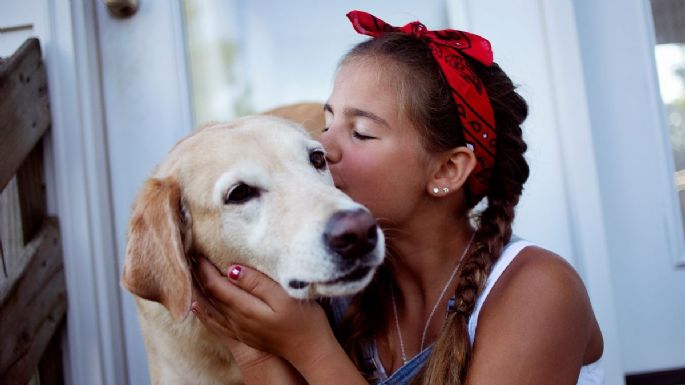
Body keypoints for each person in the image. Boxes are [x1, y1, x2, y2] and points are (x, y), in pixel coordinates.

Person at [191, 10, 604, 385]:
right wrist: (250, 345)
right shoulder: (342, 288)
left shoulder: (540, 292)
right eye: (328, 121)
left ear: (446, 171)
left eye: (361, 133)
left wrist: (309, 348)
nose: (321, 148)